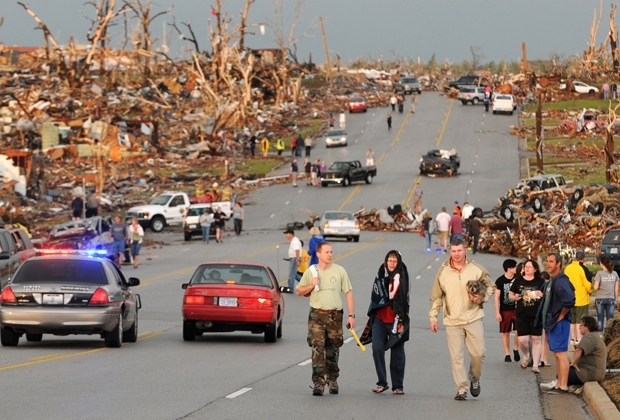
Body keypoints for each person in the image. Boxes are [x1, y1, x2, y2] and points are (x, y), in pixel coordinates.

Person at [429, 239, 495, 401]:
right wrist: (433, 317)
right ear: (450, 252)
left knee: (478, 353)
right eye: (453, 251)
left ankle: (474, 378)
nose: (456, 254)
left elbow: (491, 286)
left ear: (465, 250)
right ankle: (461, 388)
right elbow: (436, 297)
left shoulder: (476, 269)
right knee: (456, 357)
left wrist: (482, 298)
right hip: (452, 320)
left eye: (459, 251)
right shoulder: (443, 271)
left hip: (473, 318)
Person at [295, 242, 356, 396]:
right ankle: (318, 382)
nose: (330, 254)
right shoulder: (311, 271)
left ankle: (333, 379)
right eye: (326, 252)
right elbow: (299, 291)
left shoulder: (340, 270)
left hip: (335, 315)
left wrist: (351, 315)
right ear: (318, 254)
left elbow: (348, 292)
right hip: (317, 315)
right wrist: (311, 285)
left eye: (331, 252)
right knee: (317, 347)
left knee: (333, 349)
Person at [367, 250, 410, 395]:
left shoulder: (402, 277)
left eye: (394, 261)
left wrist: (401, 320)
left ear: (399, 262)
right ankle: (382, 382)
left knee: (397, 354)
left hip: (396, 320)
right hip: (379, 319)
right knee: (377, 348)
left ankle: (398, 385)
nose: (391, 263)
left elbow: (403, 301)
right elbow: (375, 295)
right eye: (389, 260)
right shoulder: (380, 274)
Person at [536, 252, 576, 393]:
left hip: (560, 323)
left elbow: (570, 300)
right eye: (547, 261)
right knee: (557, 354)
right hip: (553, 323)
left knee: (561, 354)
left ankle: (563, 386)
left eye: (551, 261)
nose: (548, 264)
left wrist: (561, 316)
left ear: (558, 263)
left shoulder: (561, 281)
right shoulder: (553, 280)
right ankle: (559, 383)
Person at [509, 259, 545, 373]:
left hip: (536, 314)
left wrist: (541, 294)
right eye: (526, 266)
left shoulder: (540, 281)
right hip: (522, 314)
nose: (527, 268)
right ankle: (526, 354)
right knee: (522, 340)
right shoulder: (518, 280)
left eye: (530, 267)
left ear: (535, 269)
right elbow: (511, 294)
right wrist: (515, 297)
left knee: (536, 339)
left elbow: (546, 295)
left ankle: (535, 365)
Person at [567, 315, 607, 387]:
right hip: (595, 372)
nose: (579, 327)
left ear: (587, 327)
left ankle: (560, 386)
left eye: (581, 325)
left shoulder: (589, 337)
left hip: (591, 373)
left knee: (563, 372)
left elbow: (579, 350)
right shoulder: (594, 336)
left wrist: (573, 363)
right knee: (565, 369)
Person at [495, 259, 520, 363]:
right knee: (506, 332)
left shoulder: (518, 279)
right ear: (509, 268)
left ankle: (515, 348)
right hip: (505, 309)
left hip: (517, 309)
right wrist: (497, 312)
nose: (516, 268)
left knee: (518, 330)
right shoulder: (500, 281)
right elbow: (497, 297)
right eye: (514, 267)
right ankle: (507, 354)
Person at [564, 251, 592, 343]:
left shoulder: (567, 268)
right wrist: (590, 291)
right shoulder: (583, 268)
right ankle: (579, 339)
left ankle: (572, 338)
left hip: (569, 297)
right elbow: (587, 283)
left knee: (572, 320)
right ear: (583, 258)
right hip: (581, 298)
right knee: (580, 320)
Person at [593, 255, 619, 333]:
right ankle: (609, 335)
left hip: (600, 298)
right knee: (610, 320)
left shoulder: (599, 273)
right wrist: (615, 299)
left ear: (601, 264)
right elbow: (616, 288)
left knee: (600, 319)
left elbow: (595, 287)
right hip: (610, 299)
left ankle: (600, 335)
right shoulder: (614, 273)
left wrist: (600, 286)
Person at [284, 229, 302, 293]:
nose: (286, 235)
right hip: (293, 258)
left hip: (295, 259)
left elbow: (297, 251)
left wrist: (298, 260)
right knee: (294, 274)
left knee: (291, 274)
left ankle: (290, 289)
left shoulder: (295, 241)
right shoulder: (293, 240)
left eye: (287, 233)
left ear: (291, 234)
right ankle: (306, 283)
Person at [540, 271, 551, 367]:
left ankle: (543, 359)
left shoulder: (546, 286)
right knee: (545, 338)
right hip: (545, 314)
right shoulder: (549, 285)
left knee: (544, 337)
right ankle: (543, 359)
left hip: (545, 314)